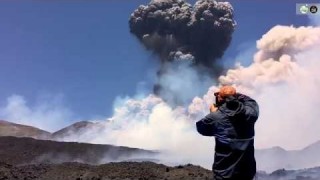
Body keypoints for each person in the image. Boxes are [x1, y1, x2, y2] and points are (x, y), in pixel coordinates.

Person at [196, 86, 259, 180]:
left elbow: (201, 128)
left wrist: (213, 114)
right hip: (247, 173)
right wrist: (233, 95)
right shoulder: (251, 114)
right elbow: (251, 101)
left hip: (224, 174)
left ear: (221, 98)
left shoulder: (215, 118)